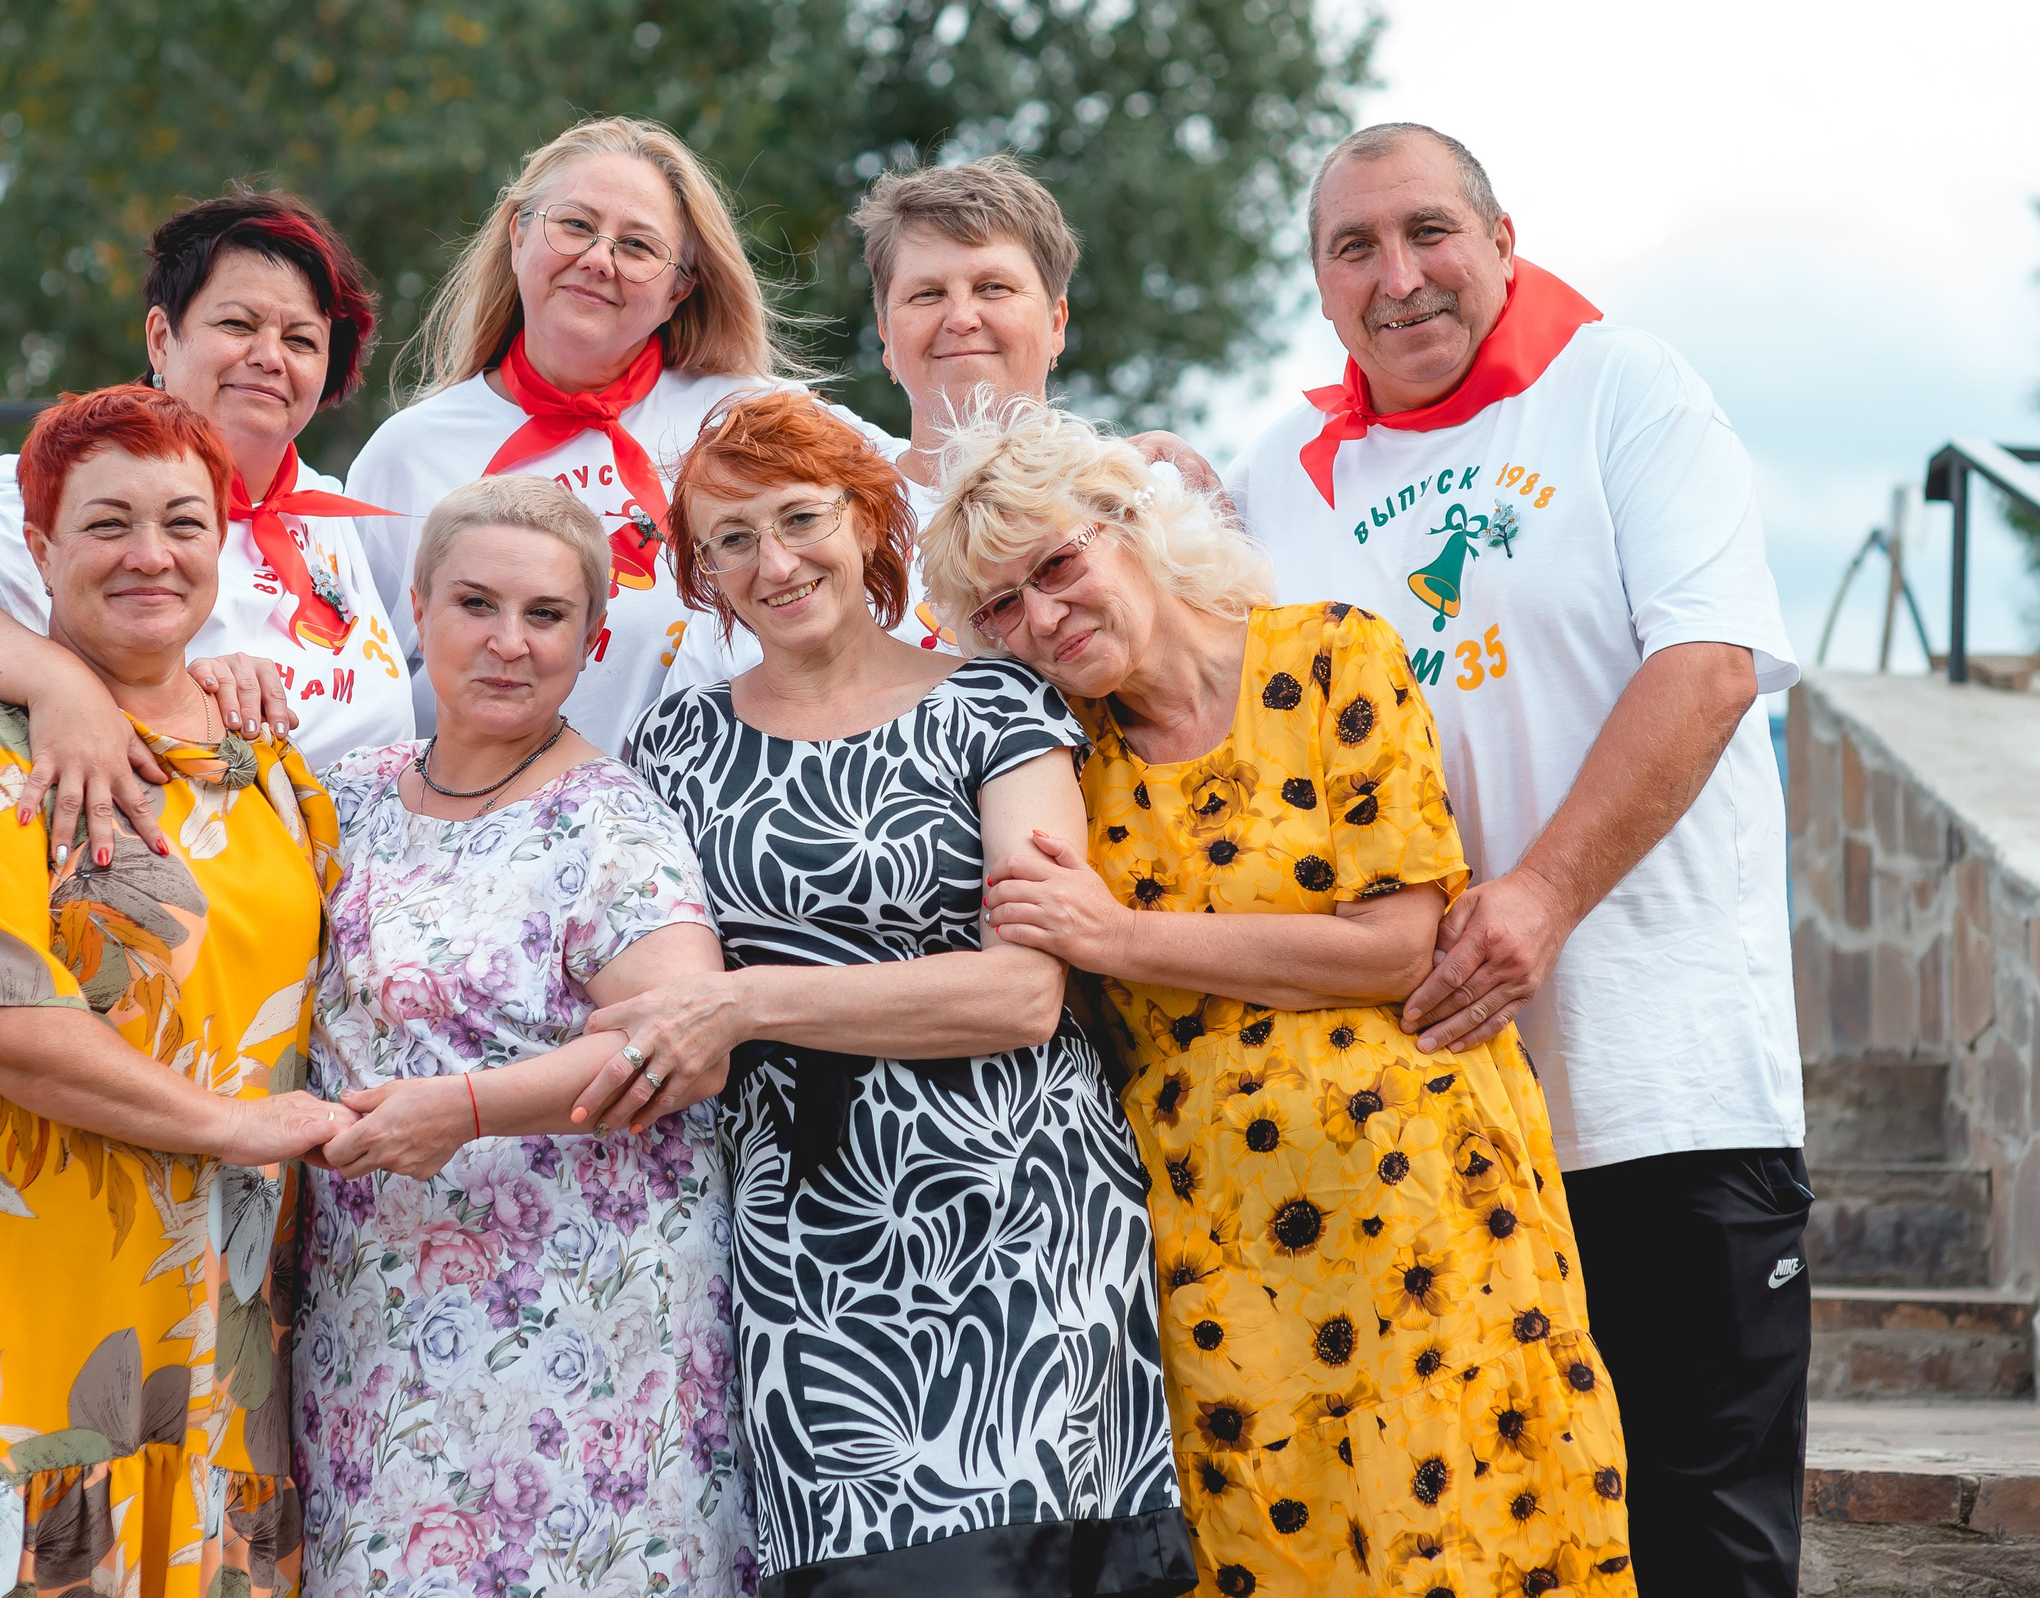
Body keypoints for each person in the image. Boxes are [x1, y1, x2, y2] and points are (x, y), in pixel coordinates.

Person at [1223, 122, 1805, 1597]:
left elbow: (1710, 665)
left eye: (1429, 232)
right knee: (1482, 1542)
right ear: (1318, 278)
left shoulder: (1624, 387)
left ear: (1500, 237)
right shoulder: (1280, 472)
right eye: (1353, 248)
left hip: (1661, 1086)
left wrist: (1539, 893)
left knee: (1702, 1530)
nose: (1399, 277)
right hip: (1418, 1113)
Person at [923, 401, 1635, 1598]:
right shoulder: (1051, 758)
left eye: (1055, 564)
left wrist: (1123, 934)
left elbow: (1396, 943)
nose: (1042, 616)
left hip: (1431, 1216)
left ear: (1125, 524)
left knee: (1474, 1547)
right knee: (1269, 1550)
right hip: (1213, 1248)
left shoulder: (1332, 654)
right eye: (1000, 605)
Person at [590, 391, 1191, 1595]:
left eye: (799, 517)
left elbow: (1021, 992)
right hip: (805, 1241)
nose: (775, 560)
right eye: (732, 540)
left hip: (1017, 1216)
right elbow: (660, 996)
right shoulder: (673, 747)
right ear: (700, 574)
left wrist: (751, 1004)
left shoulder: (996, 706)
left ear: (866, 519)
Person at [0, 385, 347, 1598]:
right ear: (40, 549)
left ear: (227, 546)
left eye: (184, 522)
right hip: (18, 1301)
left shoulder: (259, 757)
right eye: (106, 524)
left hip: (216, 1313)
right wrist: (235, 1128)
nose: (150, 554)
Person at [290, 477, 751, 1598]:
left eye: (545, 615)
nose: (508, 642)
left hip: (578, 1312)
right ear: (418, 609)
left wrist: (466, 1109)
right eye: (475, 604)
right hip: (376, 1306)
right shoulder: (343, 796)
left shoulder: (609, 820)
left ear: (591, 639)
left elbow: (683, 1041)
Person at [0, 188, 404, 862]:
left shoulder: (332, 510)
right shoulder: (82, 485)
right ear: (162, 337)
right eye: (238, 324)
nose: (270, 356)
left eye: (302, 339)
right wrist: (60, 682)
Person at [346, 116, 898, 754]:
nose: (598, 260)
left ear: (679, 289)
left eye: (637, 247)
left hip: (731, 829)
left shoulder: (751, 415)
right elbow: (361, 686)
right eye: (575, 225)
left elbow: (935, 485)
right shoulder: (408, 453)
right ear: (517, 233)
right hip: (491, 838)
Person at [666, 152, 1219, 683]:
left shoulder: (1149, 501)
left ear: (1057, 321)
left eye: (993, 287)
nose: (960, 318)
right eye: (927, 294)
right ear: (885, 337)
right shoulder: (801, 525)